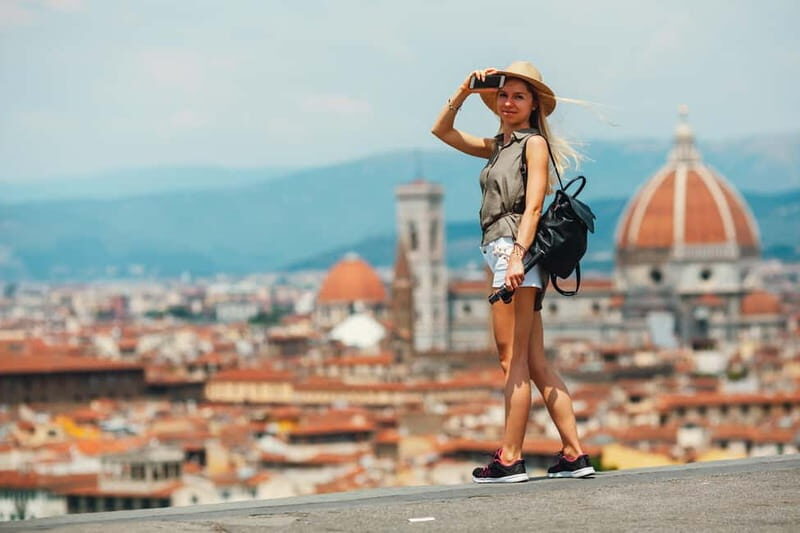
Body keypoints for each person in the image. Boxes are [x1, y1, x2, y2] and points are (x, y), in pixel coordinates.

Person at [431, 61, 595, 482]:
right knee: (534, 360)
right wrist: (465, 91)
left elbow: (534, 204)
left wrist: (518, 256)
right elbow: (442, 131)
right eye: (503, 95)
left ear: (534, 104)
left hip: (513, 251)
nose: (508, 102)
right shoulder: (499, 145)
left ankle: (510, 458)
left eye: (519, 96)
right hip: (507, 252)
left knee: (512, 361)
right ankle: (574, 454)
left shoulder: (532, 144)